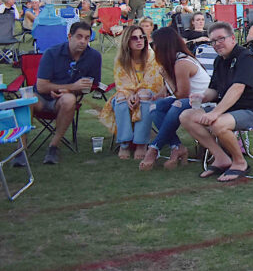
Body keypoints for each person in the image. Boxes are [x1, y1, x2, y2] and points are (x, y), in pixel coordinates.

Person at [181, 22, 253, 182]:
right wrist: (202, 97)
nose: (217, 44)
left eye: (220, 39)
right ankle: (221, 158)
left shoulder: (245, 57)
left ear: (232, 38)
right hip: (231, 111)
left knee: (218, 123)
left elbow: (237, 88)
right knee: (186, 116)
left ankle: (239, 163)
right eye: (213, 41)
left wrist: (215, 113)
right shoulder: (219, 61)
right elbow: (215, 90)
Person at [13, 22, 101, 166]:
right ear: (69, 36)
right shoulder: (52, 53)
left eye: (87, 38)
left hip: (65, 100)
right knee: (26, 99)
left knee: (69, 99)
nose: (83, 41)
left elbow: (92, 85)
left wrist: (71, 91)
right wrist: (70, 86)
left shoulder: (94, 57)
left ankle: (53, 147)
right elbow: (41, 86)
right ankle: (21, 149)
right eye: (79, 37)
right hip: (40, 98)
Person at [139, 27, 210, 171]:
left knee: (176, 105)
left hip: (204, 101)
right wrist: (157, 95)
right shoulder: (175, 60)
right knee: (155, 107)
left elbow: (182, 95)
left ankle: (154, 148)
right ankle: (177, 146)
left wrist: (166, 77)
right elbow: (170, 91)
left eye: (154, 45)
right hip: (189, 99)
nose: (153, 48)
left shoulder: (182, 63)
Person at [110, 24, 165, 159]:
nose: (139, 40)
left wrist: (138, 93)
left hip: (149, 93)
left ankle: (141, 143)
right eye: (134, 38)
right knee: (121, 99)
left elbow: (154, 81)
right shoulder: (120, 60)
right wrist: (129, 94)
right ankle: (124, 143)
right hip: (127, 92)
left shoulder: (151, 56)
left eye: (142, 37)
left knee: (144, 96)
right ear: (127, 41)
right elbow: (121, 82)